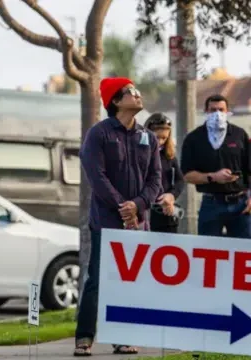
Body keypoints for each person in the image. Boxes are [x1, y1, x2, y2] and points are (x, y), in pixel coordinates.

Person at [73, 77, 162, 357]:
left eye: (137, 91)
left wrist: (138, 205)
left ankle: (124, 338)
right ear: (114, 100)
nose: (137, 95)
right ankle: (85, 337)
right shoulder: (98, 134)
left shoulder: (147, 136)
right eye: (130, 92)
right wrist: (122, 207)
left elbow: (155, 179)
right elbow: (95, 175)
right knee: (97, 279)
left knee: (130, 281)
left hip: (138, 221)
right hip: (106, 220)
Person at [181, 94, 251, 237]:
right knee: (207, 251)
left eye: (221, 109)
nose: (217, 114)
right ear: (206, 111)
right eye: (213, 110)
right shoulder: (194, 138)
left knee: (243, 251)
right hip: (211, 203)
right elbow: (187, 175)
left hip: (240, 203)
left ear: (227, 111)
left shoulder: (239, 134)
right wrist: (213, 177)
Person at [144, 113, 184, 233]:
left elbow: (180, 180)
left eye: (164, 138)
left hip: (165, 212)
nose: (160, 142)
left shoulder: (169, 156)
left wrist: (171, 196)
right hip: (143, 211)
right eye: (157, 137)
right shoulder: (138, 154)